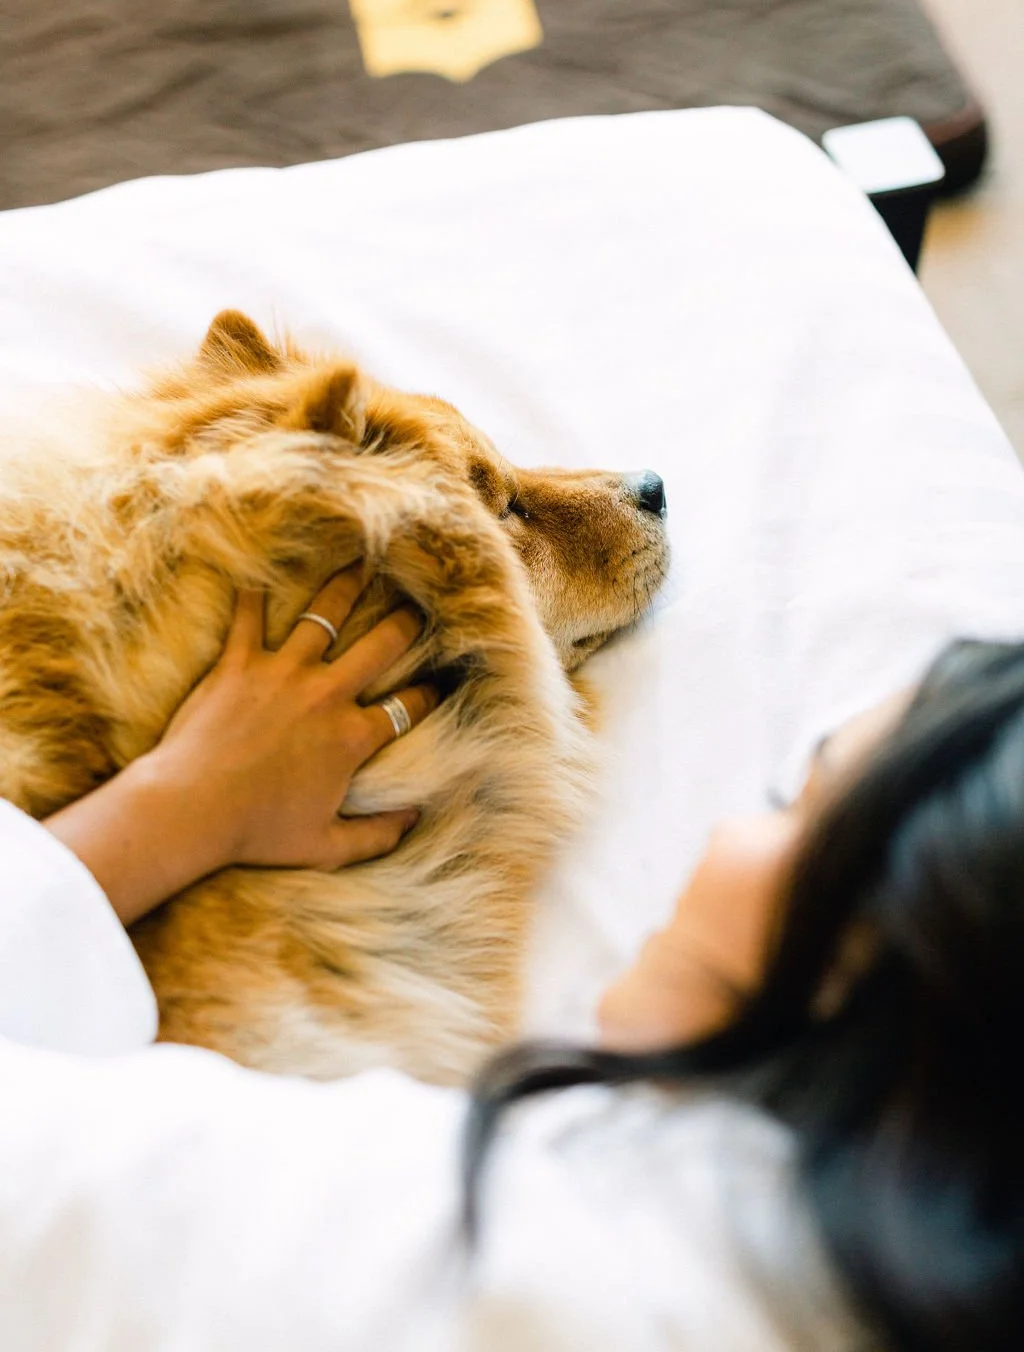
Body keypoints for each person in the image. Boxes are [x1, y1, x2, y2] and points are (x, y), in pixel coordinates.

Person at [0, 570, 1019, 1350]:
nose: (723, 829)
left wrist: (174, 812)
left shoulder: (455, 1246)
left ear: (874, 949)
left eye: (794, 804)